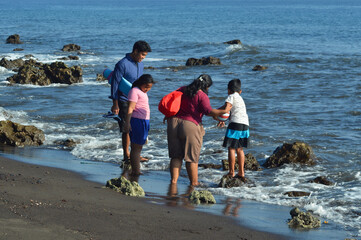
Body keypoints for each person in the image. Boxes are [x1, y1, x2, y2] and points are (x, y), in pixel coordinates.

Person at [166, 74, 228, 186]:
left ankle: (173, 182)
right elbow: (208, 111)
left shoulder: (183, 89)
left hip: (173, 123)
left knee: (176, 156)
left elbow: (172, 100)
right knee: (191, 158)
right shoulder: (201, 95)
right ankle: (194, 183)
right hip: (190, 126)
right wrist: (224, 111)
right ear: (206, 86)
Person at [109, 40, 152, 163]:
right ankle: (126, 154)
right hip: (123, 100)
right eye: (142, 55)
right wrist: (115, 104)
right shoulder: (122, 64)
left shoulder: (141, 64)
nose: (143, 58)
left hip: (136, 100)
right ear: (135, 51)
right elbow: (115, 84)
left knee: (136, 127)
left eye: (145, 56)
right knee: (126, 128)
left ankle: (135, 153)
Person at [217, 79, 249, 180]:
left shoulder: (231, 96)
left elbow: (226, 108)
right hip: (245, 124)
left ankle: (231, 172)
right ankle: (241, 172)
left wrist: (216, 114)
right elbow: (229, 109)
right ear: (240, 91)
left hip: (235, 124)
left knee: (231, 148)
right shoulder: (240, 98)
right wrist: (223, 118)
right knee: (240, 149)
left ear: (228, 90)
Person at [123, 74, 154, 176]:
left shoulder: (141, 91)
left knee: (139, 147)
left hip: (144, 121)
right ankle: (136, 171)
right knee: (136, 147)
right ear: (141, 83)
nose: (147, 89)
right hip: (137, 121)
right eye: (146, 87)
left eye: (149, 87)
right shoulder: (134, 91)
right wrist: (127, 123)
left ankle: (135, 170)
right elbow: (130, 108)